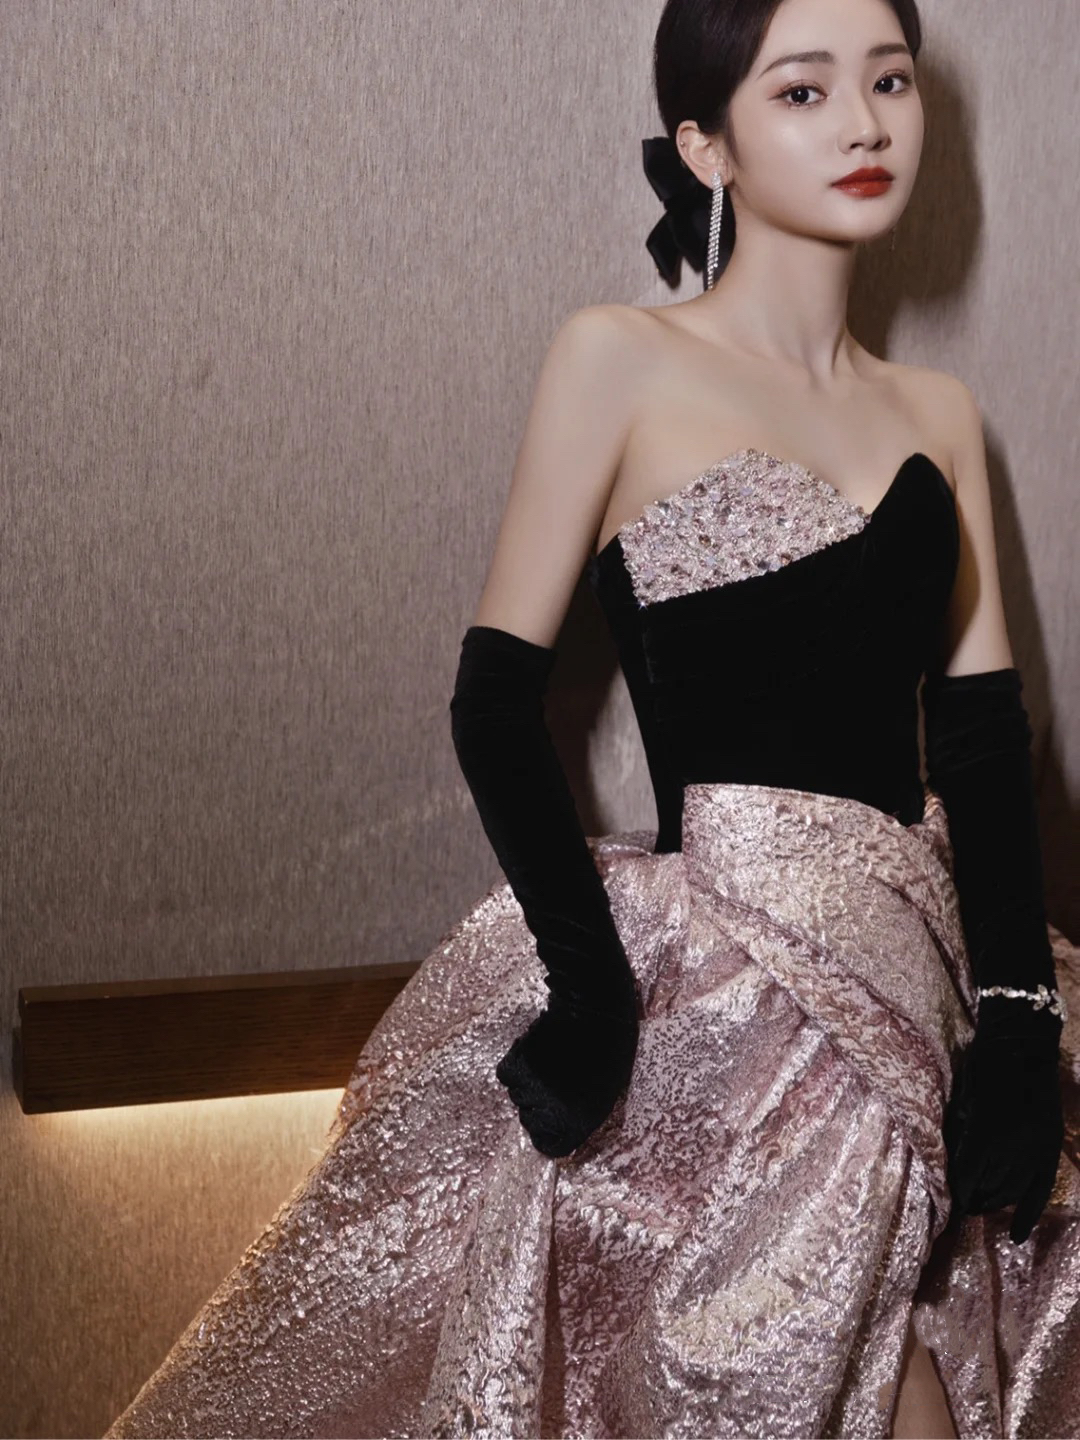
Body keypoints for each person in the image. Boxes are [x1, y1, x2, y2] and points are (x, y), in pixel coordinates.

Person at [103, 0, 1079, 1436]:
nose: (867, 123)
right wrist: (590, 985)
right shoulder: (616, 357)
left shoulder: (938, 412)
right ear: (706, 145)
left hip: (909, 987)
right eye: (803, 91)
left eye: (890, 80)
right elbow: (496, 702)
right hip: (729, 1006)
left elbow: (988, 746)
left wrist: (1019, 1020)